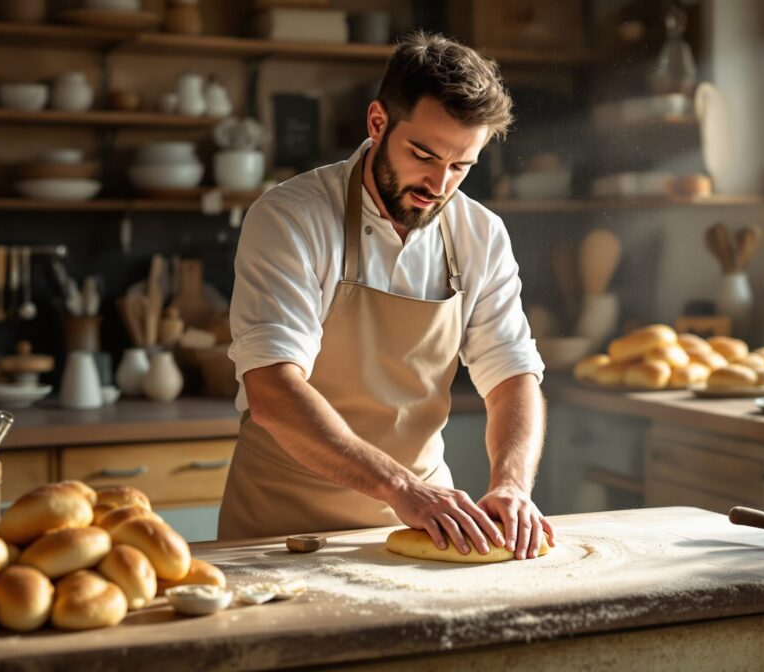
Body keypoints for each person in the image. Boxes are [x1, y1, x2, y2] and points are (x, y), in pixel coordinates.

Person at [219, 32, 554, 559]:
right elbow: (272, 390)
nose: (438, 185)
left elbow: (512, 373)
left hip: (426, 524)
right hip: (280, 528)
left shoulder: (481, 234)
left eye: (460, 167)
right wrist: (400, 488)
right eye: (423, 155)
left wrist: (512, 484)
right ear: (378, 123)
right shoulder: (291, 218)